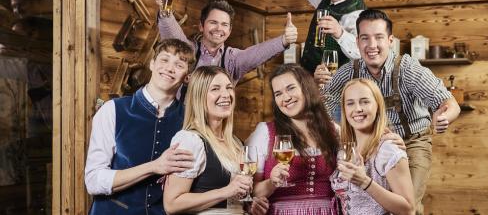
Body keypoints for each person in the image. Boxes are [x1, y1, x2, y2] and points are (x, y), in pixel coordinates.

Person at [317, 9, 461, 214]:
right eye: (365, 38)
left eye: (379, 37)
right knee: (373, 202)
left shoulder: (408, 69)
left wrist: (443, 117)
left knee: (407, 206)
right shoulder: (350, 71)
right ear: (357, 42)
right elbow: (324, 103)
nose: (372, 45)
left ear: (390, 40)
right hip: (371, 143)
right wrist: (319, 87)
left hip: (412, 142)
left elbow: (448, 102)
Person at [85, 38, 196, 215]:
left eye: (179, 65)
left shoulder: (190, 121)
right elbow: (93, 180)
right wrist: (154, 166)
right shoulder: (112, 110)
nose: (169, 68)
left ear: (187, 77)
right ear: (152, 64)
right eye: (164, 60)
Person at [247, 63, 340, 214]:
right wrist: (272, 182)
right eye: (278, 94)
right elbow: (252, 192)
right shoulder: (265, 132)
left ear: (306, 88)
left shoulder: (333, 130)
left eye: (290, 88)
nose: (286, 97)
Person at [154, 0, 298, 83]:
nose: (218, 28)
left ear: (229, 31)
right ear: (201, 26)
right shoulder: (188, 51)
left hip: (216, 129)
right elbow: (172, 35)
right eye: (213, 22)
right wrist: (164, 8)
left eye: (224, 24)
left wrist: (284, 40)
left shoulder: (233, 60)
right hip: (182, 127)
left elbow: (257, 53)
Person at [163, 66, 252, 214]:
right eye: (215, 89)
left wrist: (251, 205)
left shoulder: (236, 142)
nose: (225, 94)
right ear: (199, 96)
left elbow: (234, 200)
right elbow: (171, 204)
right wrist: (226, 191)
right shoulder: (190, 140)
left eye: (229, 87)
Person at [331, 78, 414, 215]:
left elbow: (408, 209)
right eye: (350, 103)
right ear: (344, 110)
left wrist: (365, 182)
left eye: (365, 102)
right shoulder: (343, 149)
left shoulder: (388, 149)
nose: (357, 109)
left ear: (378, 106)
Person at [300, 0, 367, 74]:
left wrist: (340, 33)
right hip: (309, 78)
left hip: (338, 86)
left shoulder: (359, 13)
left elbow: (362, 53)